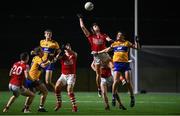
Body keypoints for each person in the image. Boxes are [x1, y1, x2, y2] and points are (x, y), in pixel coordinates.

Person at [98, 31, 140, 108]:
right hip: (117, 64)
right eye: (117, 35)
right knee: (116, 81)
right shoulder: (115, 44)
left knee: (128, 82)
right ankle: (114, 97)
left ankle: (132, 97)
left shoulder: (127, 43)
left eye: (120, 35)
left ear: (123, 36)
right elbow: (107, 50)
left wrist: (137, 41)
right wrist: (98, 52)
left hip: (125, 64)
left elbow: (137, 48)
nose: (118, 36)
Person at [77, 14, 114, 97]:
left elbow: (109, 39)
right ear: (93, 29)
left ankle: (118, 82)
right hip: (96, 56)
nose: (96, 26)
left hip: (104, 53)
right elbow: (82, 27)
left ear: (99, 27)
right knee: (98, 74)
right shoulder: (91, 36)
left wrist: (113, 41)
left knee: (112, 66)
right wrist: (80, 18)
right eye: (94, 26)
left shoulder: (104, 35)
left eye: (96, 25)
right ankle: (99, 89)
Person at [26, 46, 53, 112]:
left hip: (29, 78)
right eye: (42, 51)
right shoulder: (38, 58)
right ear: (39, 53)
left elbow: (43, 62)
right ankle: (41, 107)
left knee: (31, 93)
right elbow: (43, 65)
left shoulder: (36, 57)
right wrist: (49, 62)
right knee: (45, 92)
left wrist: (49, 59)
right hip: (34, 79)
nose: (43, 52)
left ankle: (26, 107)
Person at [54, 43, 78, 112]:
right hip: (63, 75)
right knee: (56, 87)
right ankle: (59, 103)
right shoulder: (63, 56)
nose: (67, 47)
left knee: (69, 91)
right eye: (66, 46)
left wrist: (68, 49)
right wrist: (59, 53)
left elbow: (74, 53)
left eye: (69, 46)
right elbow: (56, 59)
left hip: (71, 75)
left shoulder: (73, 55)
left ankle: (74, 106)